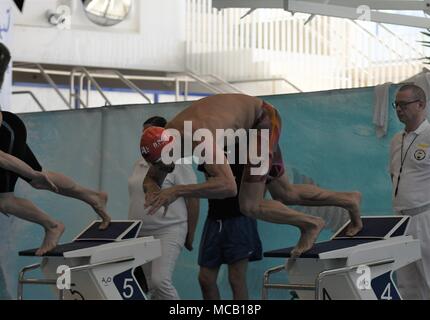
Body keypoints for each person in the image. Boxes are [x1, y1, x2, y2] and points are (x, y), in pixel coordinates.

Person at [140, 93, 362, 257]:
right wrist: (153, 191)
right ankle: (348, 199)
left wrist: (176, 190)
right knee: (286, 193)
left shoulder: (200, 137)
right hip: (250, 126)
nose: (162, 168)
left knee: (249, 205)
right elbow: (151, 178)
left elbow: (227, 186)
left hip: (261, 123)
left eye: (163, 163)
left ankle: (310, 224)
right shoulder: (165, 138)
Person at [0, 42, 111, 256]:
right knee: (40, 179)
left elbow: (2, 158)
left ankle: (52, 225)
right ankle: (92, 196)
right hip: (9, 127)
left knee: (4, 200)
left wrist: (31, 173)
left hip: (6, 133)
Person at [128, 116, 199, 300]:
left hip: (169, 230)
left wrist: (190, 235)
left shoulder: (178, 162)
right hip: (141, 232)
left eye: (149, 132)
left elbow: (193, 200)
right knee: (148, 284)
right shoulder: (140, 163)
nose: (144, 136)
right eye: (143, 132)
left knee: (160, 281)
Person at [197, 145, 262, 300]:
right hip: (214, 219)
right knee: (205, 279)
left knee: (236, 279)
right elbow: (210, 182)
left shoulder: (247, 144)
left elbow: (259, 185)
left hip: (239, 219)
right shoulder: (209, 145)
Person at [390, 84, 430, 299]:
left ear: (421, 105)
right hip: (400, 220)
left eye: (404, 104)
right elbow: (394, 177)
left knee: (428, 278)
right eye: (396, 104)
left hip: (425, 218)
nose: (398, 109)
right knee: (406, 284)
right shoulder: (396, 140)